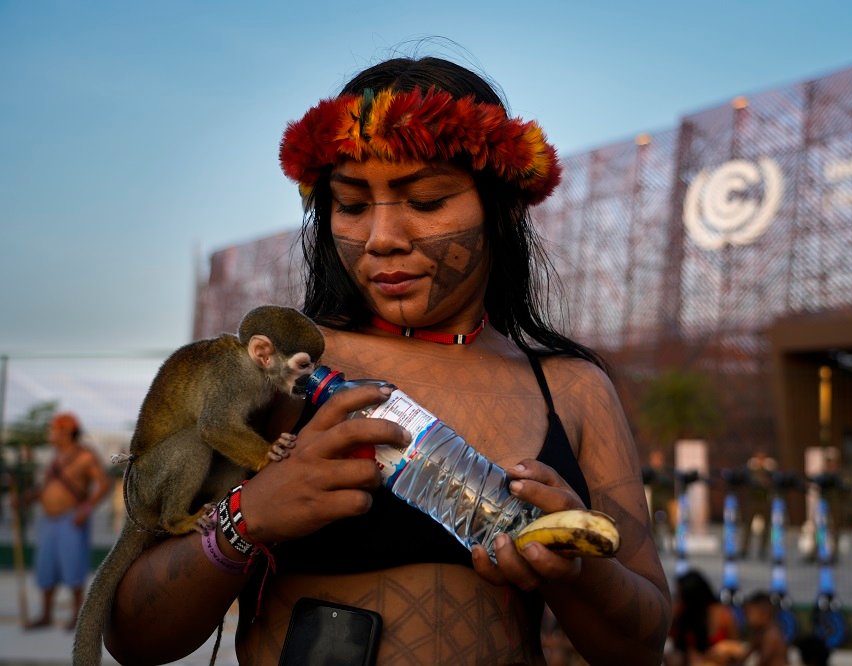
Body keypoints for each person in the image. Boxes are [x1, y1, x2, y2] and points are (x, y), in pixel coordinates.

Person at [101, 56, 671, 665]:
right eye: (350, 206)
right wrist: (248, 516)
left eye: (425, 201)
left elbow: (640, 649)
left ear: (502, 209)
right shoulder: (284, 373)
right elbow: (132, 635)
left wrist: (577, 574)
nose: (381, 236)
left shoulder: (571, 389)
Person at [23, 412, 111, 630]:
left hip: (71, 520)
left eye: (55, 429)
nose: (51, 433)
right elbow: (46, 488)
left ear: (67, 432)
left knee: (73, 567)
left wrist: (86, 508)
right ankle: (46, 614)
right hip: (49, 521)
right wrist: (25, 499)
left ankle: (76, 616)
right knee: (46, 567)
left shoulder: (85, 457)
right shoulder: (55, 459)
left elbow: (104, 484)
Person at [665, 569, 739, 665]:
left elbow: (737, 651)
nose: (678, 601)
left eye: (681, 596)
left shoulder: (723, 616)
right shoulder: (684, 617)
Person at [740, 591, 787, 666]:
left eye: (749, 614)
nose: (747, 619)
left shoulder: (771, 635)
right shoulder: (760, 633)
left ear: (764, 614)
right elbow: (748, 653)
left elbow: (763, 661)